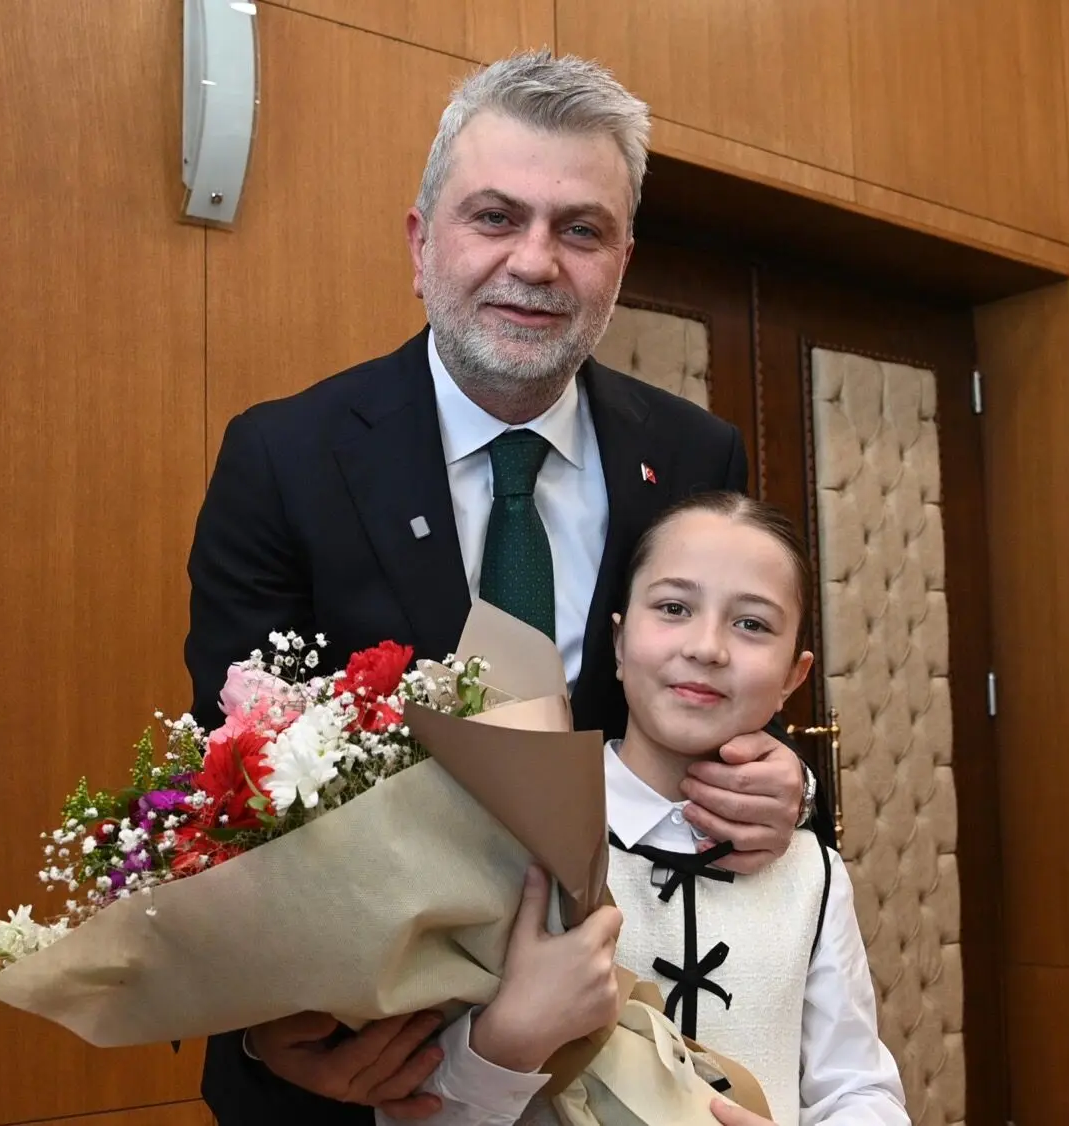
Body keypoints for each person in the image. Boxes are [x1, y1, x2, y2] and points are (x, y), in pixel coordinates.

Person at [184, 51, 832, 1125]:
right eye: (495, 217)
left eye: (580, 230)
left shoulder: (691, 453)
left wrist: (783, 785)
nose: (535, 261)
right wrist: (269, 1035)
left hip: (628, 1058)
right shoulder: (284, 457)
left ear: (621, 262)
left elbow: (718, 696)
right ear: (420, 242)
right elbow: (232, 782)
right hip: (366, 1069)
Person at [385, 492, 908, 1126]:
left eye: (751, 624)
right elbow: (413, 1110)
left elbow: (860, 1090)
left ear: (792, 680)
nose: (707, 647)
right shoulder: (519, 838)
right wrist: (509, 1039)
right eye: (673, 608)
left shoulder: (813, 875)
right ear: (617, 640)